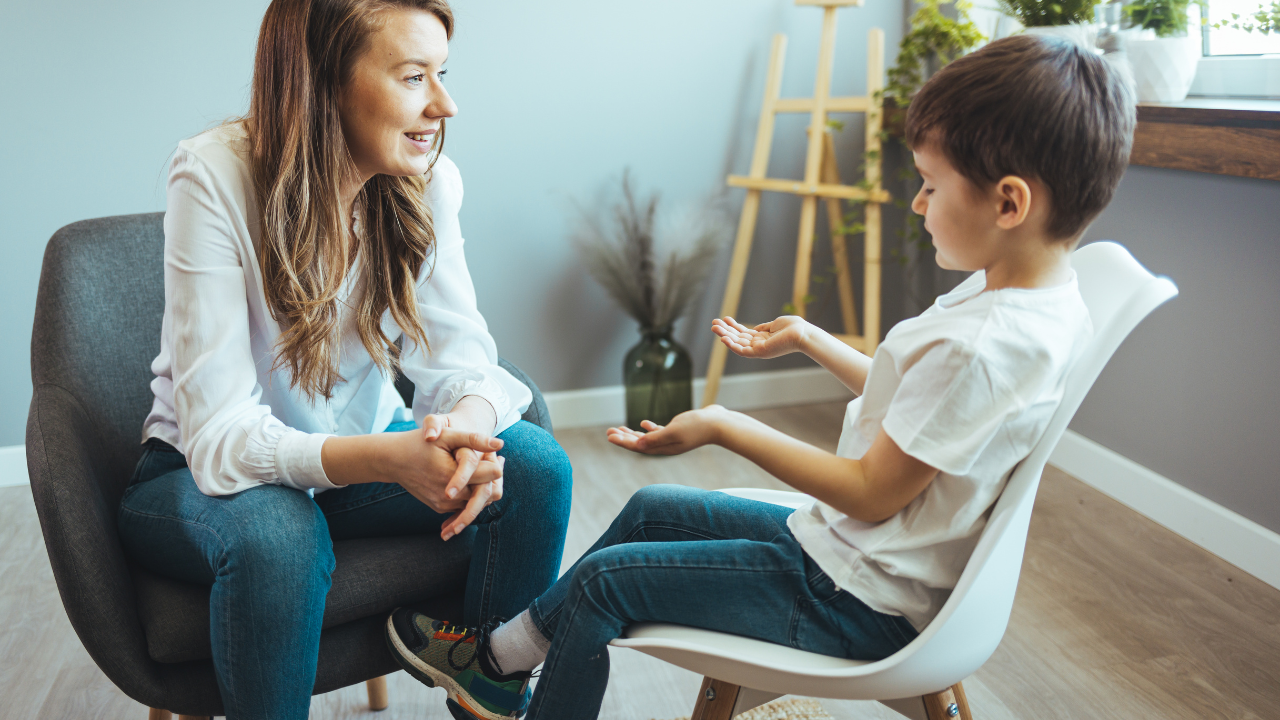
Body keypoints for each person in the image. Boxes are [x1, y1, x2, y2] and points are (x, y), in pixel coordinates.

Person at [385, 33, 1136, 720]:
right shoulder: (1028, 297)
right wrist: (812, 339)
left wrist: (727, 425)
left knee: (606, 584)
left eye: (932, 186)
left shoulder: (986, 344)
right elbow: (918, 400)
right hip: (849, 557)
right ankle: (500, 665)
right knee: (650, 510)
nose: (917, 201)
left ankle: (498, 670)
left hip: (854, 598)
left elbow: (870, 492)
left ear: (1009, 202)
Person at [115, 1, 572, 719]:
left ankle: (488, 690)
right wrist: (390, 458)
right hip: (199, 479)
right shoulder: (214, 175)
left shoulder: (425, 180)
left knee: (535, 467)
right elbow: (221, 438)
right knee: (279, 535)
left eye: (442, 74)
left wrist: (464, 432)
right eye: (414, 77)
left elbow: (465, 362)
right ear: (324, 80)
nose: (444, 105)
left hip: (352, 464)